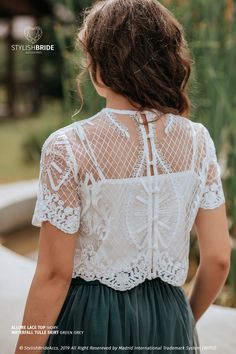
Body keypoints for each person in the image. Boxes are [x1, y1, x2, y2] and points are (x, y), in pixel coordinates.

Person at [15, 1, 231, 353]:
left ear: (102, 64)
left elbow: (54, 276)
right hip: (168, 319)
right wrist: (181, 321)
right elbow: (220, 257)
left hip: (90, 323)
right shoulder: (198, 141)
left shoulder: (68, 147)